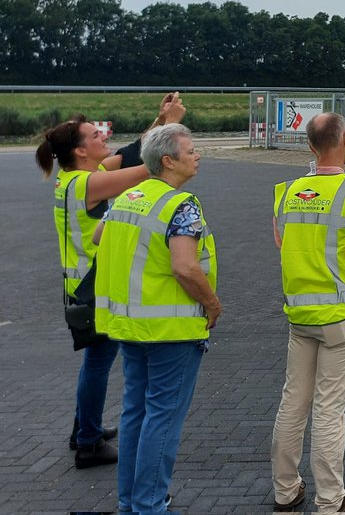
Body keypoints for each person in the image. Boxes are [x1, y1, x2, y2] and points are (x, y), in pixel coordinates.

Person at [35, 93, 186, 468]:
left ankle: (82, 429)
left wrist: (161, 118)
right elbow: (149, 165)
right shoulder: (86, 186)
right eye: (95, 135)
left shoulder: (80, 178)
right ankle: (88, 441)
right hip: (93, 288)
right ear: (81, 151)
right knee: (98, 364)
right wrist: (170, 128)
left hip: (84, 285)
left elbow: (136, 152)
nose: (103, 136)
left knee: (96, 361)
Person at [94, 123, 220, 515]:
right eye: (191, 150)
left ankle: (131, 503)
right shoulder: (181, 205)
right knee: (163, 419)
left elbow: (100, 234)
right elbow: (185, 267)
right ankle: (151, 505)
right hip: (171, 330)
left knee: (135, 413)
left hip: (129, 326)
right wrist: (211, 304)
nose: (197, 155)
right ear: (169, 161)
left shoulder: (128, 197)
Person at [270, 113, 345, 513]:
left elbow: (283, 243)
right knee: (329, 410)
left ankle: (286, 490)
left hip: (300, 316)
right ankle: (331, 502)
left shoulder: (287, 191)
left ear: (310, 146)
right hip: (341, 317)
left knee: (293, 403)